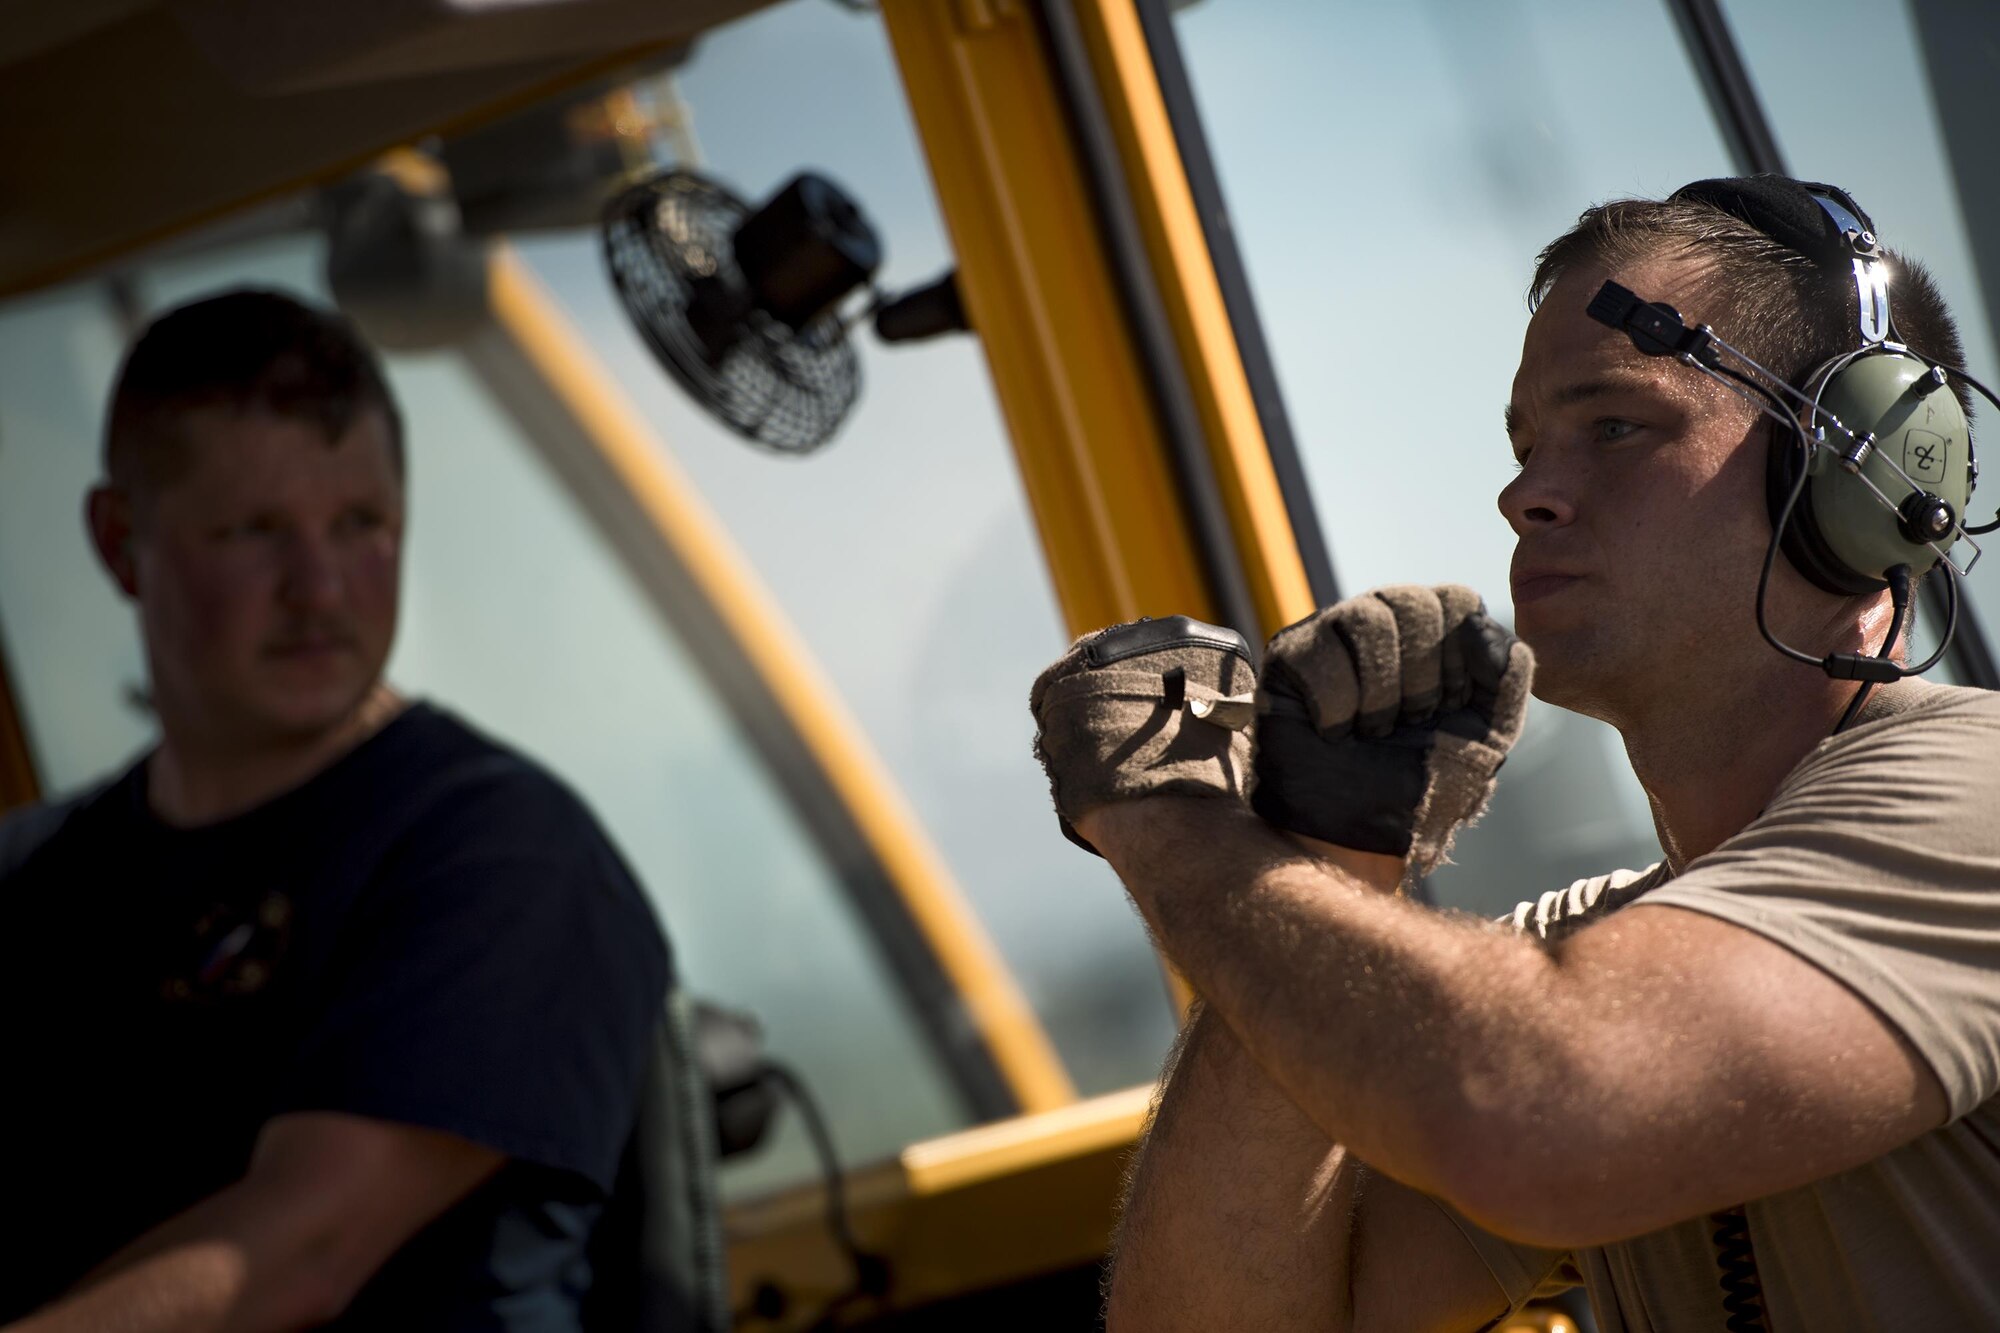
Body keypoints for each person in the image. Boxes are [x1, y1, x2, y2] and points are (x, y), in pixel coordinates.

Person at [1031, 175, 2000, 1330]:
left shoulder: (1977, 794)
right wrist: (1326, 857)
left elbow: (1545, 1114)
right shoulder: (1580, 959)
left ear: (1867, 479)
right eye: (1527, 444)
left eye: (1614, 427)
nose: (1523, 492)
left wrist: (1165, 827)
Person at [0, 290, 674, 1330]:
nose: (318, 588)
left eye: (360, 524)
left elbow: (298, 1253)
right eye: (253, 530)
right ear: (117, 540)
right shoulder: (31, 882)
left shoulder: (499, 854)